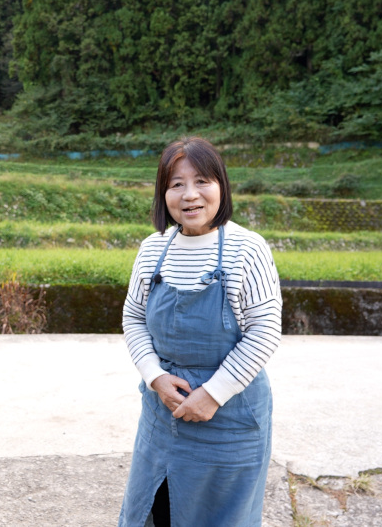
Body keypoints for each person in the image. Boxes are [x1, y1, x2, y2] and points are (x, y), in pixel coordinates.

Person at [118, 137, 282, 526]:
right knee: (154, 513)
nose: (189, 195)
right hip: (164, 414)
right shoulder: (152, 248)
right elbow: (133, 318)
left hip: (230, 420)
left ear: (221, 187)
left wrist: (213, 394)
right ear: (164, 194)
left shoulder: (248, 248)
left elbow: (265, 330)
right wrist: (155, 377)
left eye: (202, 181)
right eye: (176, 184)